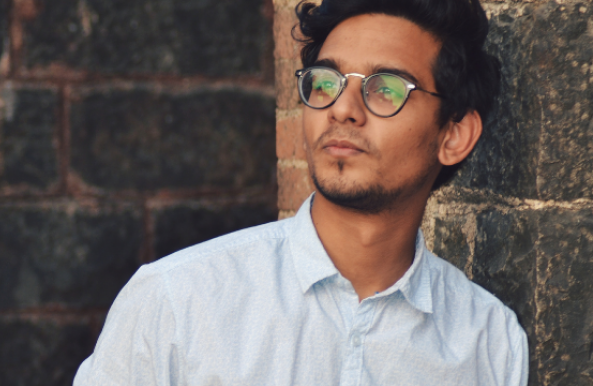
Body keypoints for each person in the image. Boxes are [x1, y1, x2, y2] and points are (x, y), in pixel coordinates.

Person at [73, 0, 529, 384]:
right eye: (326, 83)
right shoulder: (178, 301)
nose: (343, 109)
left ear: (454, 135)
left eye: (386, 89)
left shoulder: (488, 342)